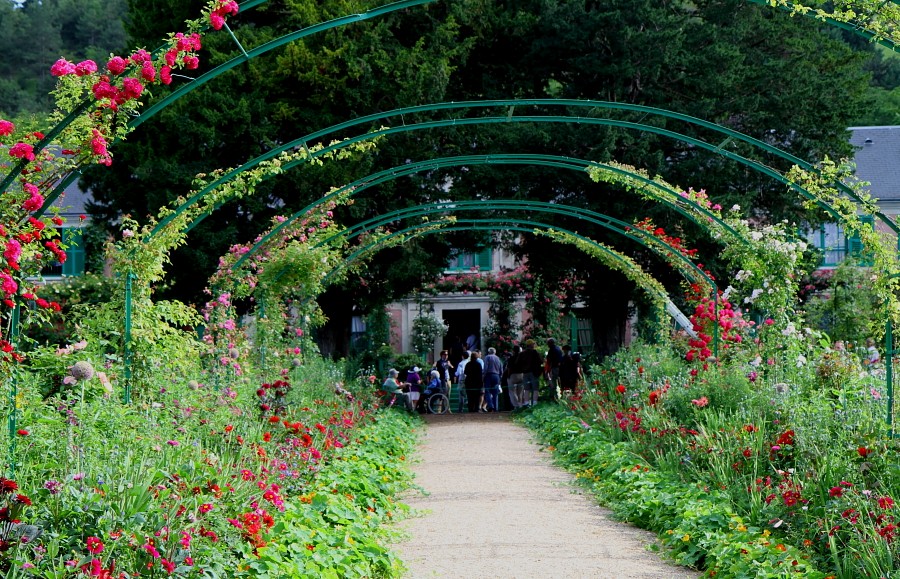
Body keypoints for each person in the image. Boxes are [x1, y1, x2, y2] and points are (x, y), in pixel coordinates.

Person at [519, 339, 544, 407]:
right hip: (534, 372)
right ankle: (535, 403)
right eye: (533, 344)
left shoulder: (522, 353)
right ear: (531, 345)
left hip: (525, 373)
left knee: (526, 389)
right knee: (535, 388)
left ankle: (527, 403)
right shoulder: (535, 352)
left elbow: (518, 363)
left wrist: (523, 369)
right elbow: (541, 361)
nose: (534, 345)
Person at [482, 347, 503, 412]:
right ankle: (496, 407)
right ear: (495, 352)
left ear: (488, 352)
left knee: (487, 391)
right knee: (495, 392)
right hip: (496, 376)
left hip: (489, 375)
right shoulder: (498, 358)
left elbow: (485, 367)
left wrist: (483, 376)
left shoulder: (487, 357)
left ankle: (490, 406)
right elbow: (501, 368)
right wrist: (500, 377)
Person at [505, 344, 525, 410]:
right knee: (520, 391)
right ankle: (520, 404)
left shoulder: (511, 358)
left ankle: (516, 405)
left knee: (512, 391)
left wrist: (508, 376)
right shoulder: (522, 358)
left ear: (513, 351)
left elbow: (509, 368)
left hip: (513, 375)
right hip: (521, 374)